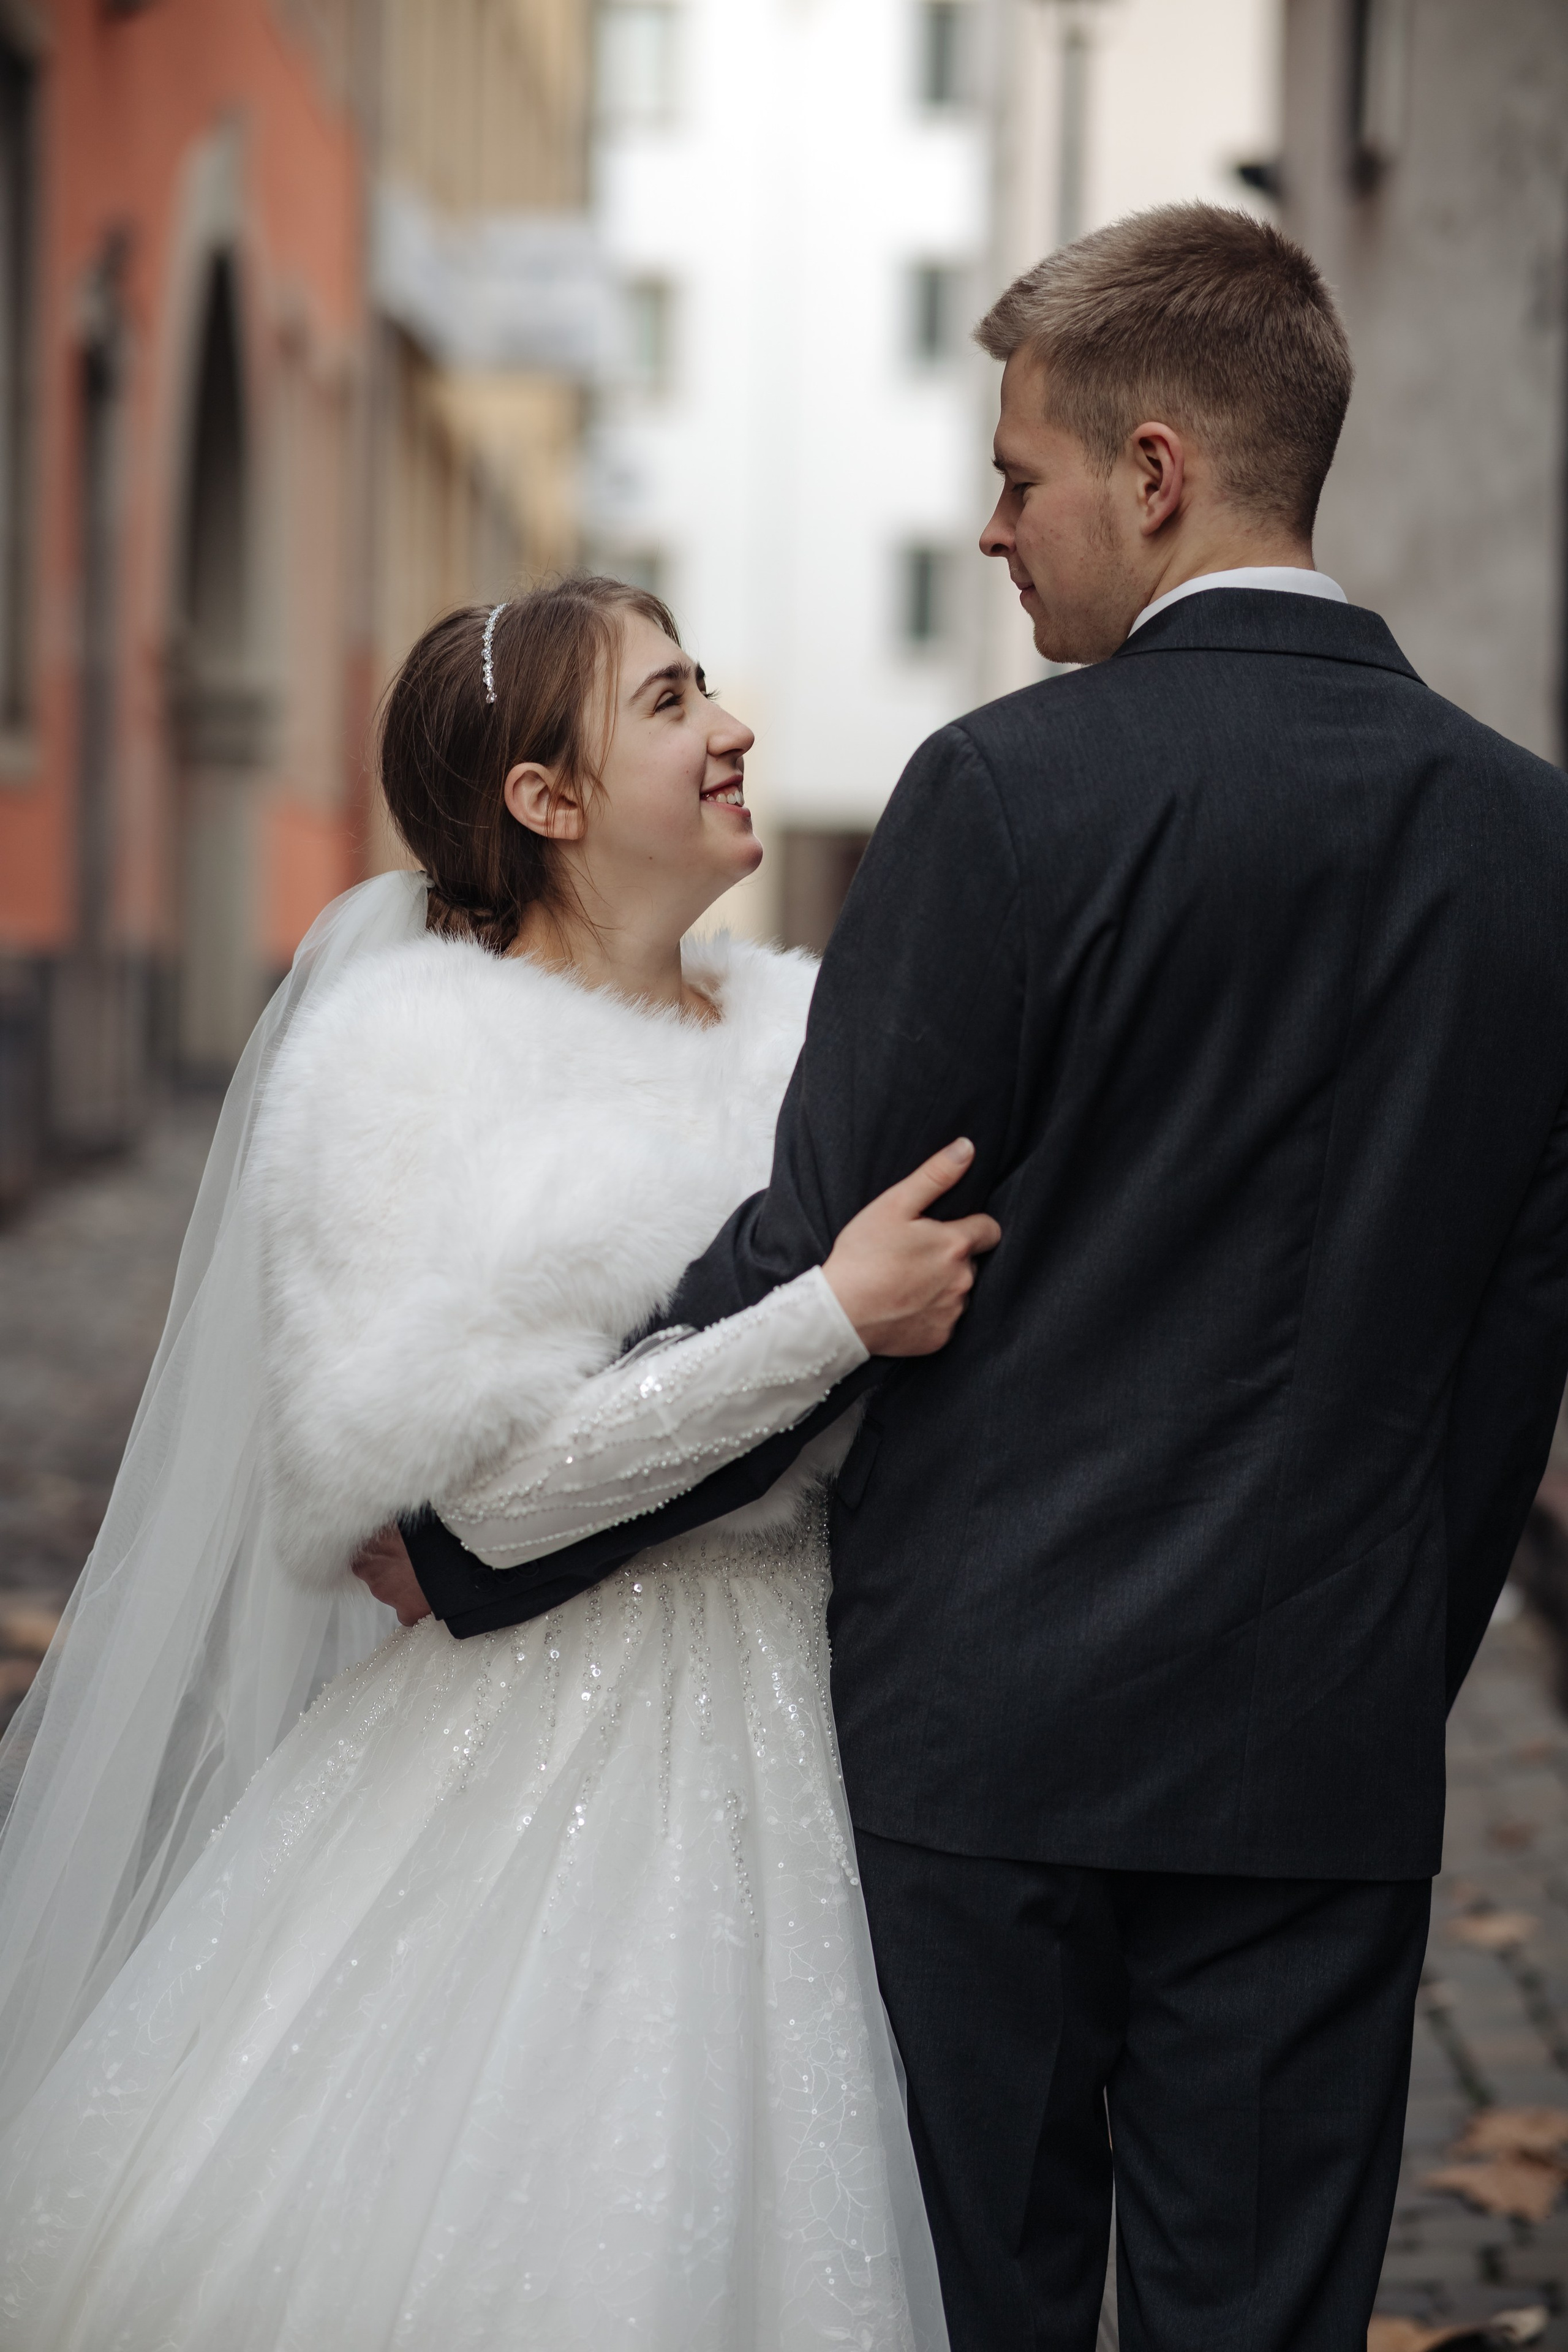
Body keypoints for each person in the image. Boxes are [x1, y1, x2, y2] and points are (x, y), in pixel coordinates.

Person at [389, 205, 1568, 2351]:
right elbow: (1520, 1327)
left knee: (969, 2314)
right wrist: (1394, 1660)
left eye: (1020, 476)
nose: (993, 524)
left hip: (978, 1757)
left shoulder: (1008, 794)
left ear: (1153, 473)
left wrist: (492, 1529)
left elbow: (819, 1244)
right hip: (1330, 1761)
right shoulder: (1533, 843)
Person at [0, 576, 1000, 2350]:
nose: (735, 727)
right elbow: (482, 1496)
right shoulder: (405, 1069)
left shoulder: (808, 1039)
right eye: (675, 702)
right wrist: (826, 1321)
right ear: (545, 799)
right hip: (536, 1734)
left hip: (815, 1727)